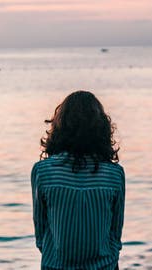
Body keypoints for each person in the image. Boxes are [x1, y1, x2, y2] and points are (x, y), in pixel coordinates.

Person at [31, 90, 125, 270]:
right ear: (102, 129)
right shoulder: (114, 174)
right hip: (104, 266)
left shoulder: (43, 171)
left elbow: (41, 231)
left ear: (60, 127)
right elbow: (115, 232)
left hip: (56, 266)